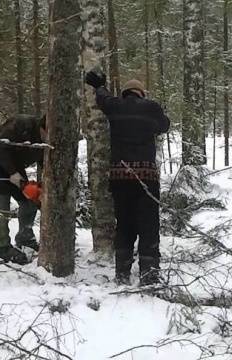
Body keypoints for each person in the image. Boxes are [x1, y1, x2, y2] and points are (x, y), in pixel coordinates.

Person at [85, 70, 170, 285]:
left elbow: (102, 98)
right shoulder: (151, 108)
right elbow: (164, 126)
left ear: (125, 93)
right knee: (149, 225)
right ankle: (149, 274)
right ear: (141, 93)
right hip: (146, 178)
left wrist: (99, 85)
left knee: (124, 224)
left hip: (120, 177)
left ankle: (122, 273)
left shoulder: (115, 106)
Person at [0, 114, 46, 265]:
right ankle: (1, 248)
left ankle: (25, 238)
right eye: (45, 134)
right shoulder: (23, 124)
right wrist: (15, 176)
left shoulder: (46, 142)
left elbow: (44, 162)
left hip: (15, 164)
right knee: (1, 203)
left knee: (29, 200)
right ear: (42, 126)